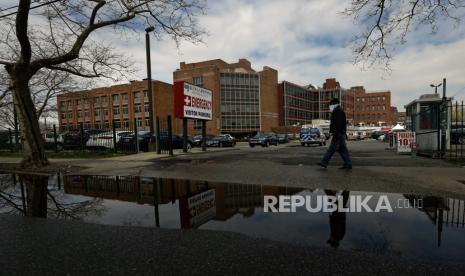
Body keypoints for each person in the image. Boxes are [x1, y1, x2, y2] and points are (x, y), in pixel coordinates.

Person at [317, 98, 352, 169]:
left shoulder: (337, 111)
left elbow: (337, 124)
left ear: (334, 104)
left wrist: (334, 133)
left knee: (332, 149)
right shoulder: (339, 110)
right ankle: (348, 164)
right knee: (342, 150)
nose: (330, 106)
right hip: (340, 133)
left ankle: (324, 162)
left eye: (330, 105)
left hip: (338, 134)